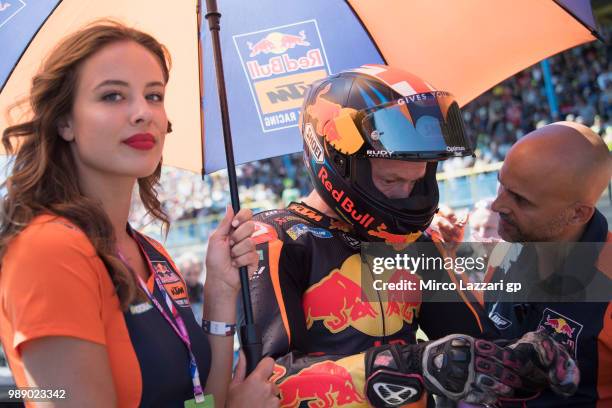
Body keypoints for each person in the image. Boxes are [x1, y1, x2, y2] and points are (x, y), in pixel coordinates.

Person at [245, 66, 578, 407]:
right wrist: (410, 363)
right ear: (337, 161)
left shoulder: (416, 242)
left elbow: (473, 341)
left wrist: (518, 354)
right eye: (390, 181)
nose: (406, 194)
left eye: (417, 181)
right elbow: (266, 382)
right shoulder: (275, 241)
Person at [0, 21, 278, 408]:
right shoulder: (49, 251)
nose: (142, 113)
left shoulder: (150, 253)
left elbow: (204, 399)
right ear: (65, 121)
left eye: (154, 95)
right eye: (113, 96)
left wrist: (220, 290)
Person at [437, 121, 611, 406]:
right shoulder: (503, 257)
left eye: (520, 199)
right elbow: (480, 332)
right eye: (502, 186)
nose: (497, 205)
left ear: (578, 213)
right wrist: (444, 260)